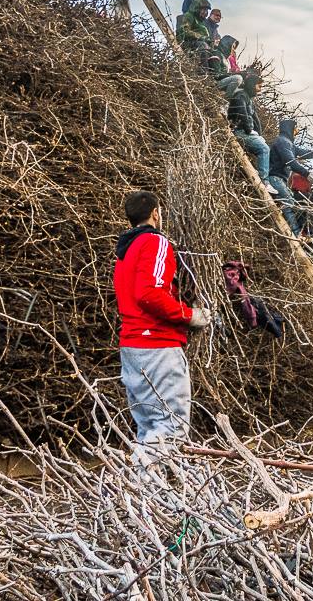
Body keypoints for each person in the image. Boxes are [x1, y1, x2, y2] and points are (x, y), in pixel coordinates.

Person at [113, 190, 210, 457]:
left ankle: (142, 494)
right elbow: (149, 293)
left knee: (148, 428)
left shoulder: (126, 249)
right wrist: (189, 314)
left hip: (133, 346)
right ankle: (147, 491)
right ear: (156, 213)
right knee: (171, 427)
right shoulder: (155, 243)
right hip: (156, 346)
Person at [226, 71, 275, 193]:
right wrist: (250, 130)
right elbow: (243, 115)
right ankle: (264, 181)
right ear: (252, 85)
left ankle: (263, 177)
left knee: (263, 145)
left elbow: (255, 119)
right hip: (239, 131)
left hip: (244, 131)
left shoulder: (249, 99)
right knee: (264, 149)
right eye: (259, 86)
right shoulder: (240, 96)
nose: (259, 90)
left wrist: (258, 134)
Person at [268, 118, 310, 233]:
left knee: (290, 205)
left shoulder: (289, 145)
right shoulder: (282, 142)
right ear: (289, 129)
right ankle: (295, 235)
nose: (296, 132)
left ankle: (295, 233)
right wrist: (306, 174)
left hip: (280, 180)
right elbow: (291, 162)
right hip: (274, 178)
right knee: (290, 205)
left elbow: (306, 153)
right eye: (294, 129)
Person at [177, 0, 213, 66]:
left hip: (198, 44)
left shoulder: (201, 22)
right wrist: (202, 37)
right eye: (204, 9)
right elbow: (185, 31)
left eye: (207, 10)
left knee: (215, 53)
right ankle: (204, 72)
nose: (205, 12)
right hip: (188, 43)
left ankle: (216, 73)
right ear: (197, 8)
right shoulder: (189, 16)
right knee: (203, 45)